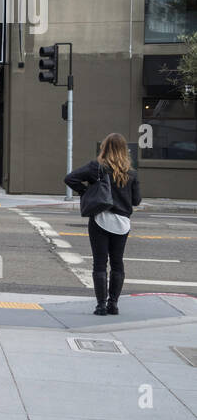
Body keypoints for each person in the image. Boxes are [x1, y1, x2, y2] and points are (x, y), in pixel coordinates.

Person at [64, 133, 141, 316]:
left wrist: (87, 191)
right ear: (124, 151)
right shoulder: (131, 173)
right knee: (117, 263)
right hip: (122, 222)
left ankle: (100, 305)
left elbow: (70, 178)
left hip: (100, 219)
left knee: (99, 264)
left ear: (104, 148)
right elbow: (136, 200)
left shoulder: (97, 168)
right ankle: (113, 304)